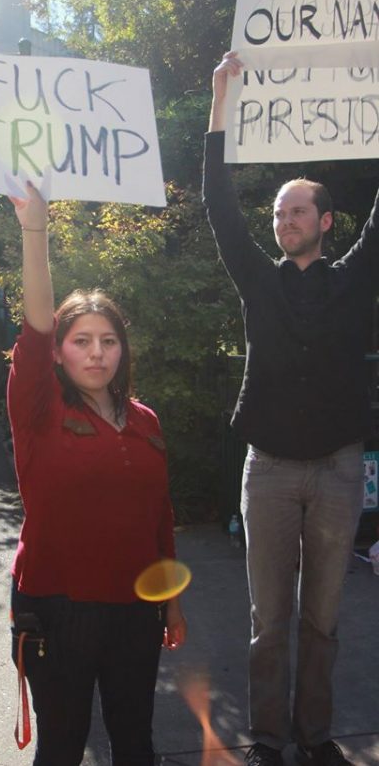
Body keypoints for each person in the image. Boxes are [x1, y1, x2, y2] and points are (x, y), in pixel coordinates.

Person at [203, 52, 374, 766]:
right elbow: (217, 201)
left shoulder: (357, 275)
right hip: (268, 470)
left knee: (324, 621)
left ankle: (315, 735)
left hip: (338, 471)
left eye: (296, 209)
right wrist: (220, 100)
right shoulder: (257, 280)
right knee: (268, 621)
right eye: (277, 212)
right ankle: (269, 739)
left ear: (327, 220)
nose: (282, 220)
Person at [6, 181, 187, 766]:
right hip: (58, 607)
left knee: (136, 741)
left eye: (109, 341)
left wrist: (173, 603)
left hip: (137, 609)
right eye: (81, 341)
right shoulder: (39, 409)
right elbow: (36, 326)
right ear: (59, 353)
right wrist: (36, 229)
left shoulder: (145, 421)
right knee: (62, 746)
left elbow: (159, 514)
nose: (96, 352)